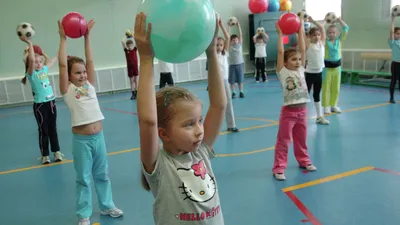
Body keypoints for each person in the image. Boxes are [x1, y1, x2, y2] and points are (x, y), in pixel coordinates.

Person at [134, 12, 226, 225]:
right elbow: (148, 121)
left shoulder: (201, 150)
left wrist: (211, 52)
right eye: (188, 124)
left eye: (199, 121)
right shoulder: (159, 166)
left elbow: (219, 105)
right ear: (164, 134)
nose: (199, 130)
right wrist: (146, 59)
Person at [57, 19, 123, 225]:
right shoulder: (68, 90)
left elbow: (90, 61)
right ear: (69, 76)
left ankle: (106, 205)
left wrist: (87, 38)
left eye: (83, 71)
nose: (83, 75)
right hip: (81, 141)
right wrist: (63, 39)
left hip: (98, 138)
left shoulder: (91, 85)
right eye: (77, 72)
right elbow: (61, 64)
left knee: (102, 174)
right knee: (83, 178)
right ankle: (83, 214)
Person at [272, 17, 317, 181]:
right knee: (284, 141)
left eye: (299, 59)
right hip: (288, 113)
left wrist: (299, 30)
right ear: (285, 62)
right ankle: (279, 168)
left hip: (302, 112)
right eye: (293, 59)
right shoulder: (282, 72)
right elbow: (280, 52)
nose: (298, 61)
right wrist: (280, 35)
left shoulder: (301, 70)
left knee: (301, 139)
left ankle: (304, 161)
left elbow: (303, 50)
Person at [20, 38, 63, 164]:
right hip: (40, 105)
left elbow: (51, 61)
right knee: (43, 130)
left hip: (51, 103)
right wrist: (30, 45)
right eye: (36, 62)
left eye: (40, 62)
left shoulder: (44, 69)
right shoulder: (31, 74)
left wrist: (51, 54)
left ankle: (57, 152)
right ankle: (45, 155)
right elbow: (32, 60)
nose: (38, 64)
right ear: (30, 65)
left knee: (53, 129)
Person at [305, 17, 329, 125]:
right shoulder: (308, 45)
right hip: (309, 74)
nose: (317, 37)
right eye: (314, 35)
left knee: (317, 95)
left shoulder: (321, 44)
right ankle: (301, 116)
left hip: (319, 73)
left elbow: (322, 29)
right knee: (305, 95)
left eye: (318, 35)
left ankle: (319, 116)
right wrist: (302, 22)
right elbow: (302, 35)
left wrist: (313, 21)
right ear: (309, 36)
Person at [322, 18, 349, 114]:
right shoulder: (324, 42)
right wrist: (325, 21)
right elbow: (321, 28)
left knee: (336, 88)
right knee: (326, 88)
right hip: (327, 68)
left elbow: (346, 28)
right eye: (329, 32)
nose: (331, 34)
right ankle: (326, 106)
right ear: (327, 33)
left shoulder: (339, 40)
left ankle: (334, 105)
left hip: (337, 68)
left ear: (337, 33)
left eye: (333, 32)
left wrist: (339, 20)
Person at [216, 18, 239, 132]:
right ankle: (214, 126)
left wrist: (221, 25)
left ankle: (231, 125)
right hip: (216, 81)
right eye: (217, 45)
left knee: (228, 101)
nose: (219, 47)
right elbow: (213, 40)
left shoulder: (225, 54)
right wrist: (215, 27)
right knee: (217, 103)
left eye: (221, 45)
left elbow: (228, 37)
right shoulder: (213, 55)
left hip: (224, 80)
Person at [228, 18, 245, 98]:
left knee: (240, 80)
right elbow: (227, 36)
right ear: (231, 41)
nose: (235, 41)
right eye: (233, 40)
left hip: (240, 64)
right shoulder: (230, 46)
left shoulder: (240, 45)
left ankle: (241, 92)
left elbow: (240, 34)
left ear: (238, 40)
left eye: (236, 40)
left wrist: (238, 25)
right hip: (232, 65)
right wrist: (229, 27)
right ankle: (233, 92)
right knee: (232, 81)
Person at [389, 15, 400, 103]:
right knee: (393, 81)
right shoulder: (392, 42)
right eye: (397, 33)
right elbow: (391, 32)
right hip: (395, 65)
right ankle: (391, 97)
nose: (399, 35)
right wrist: (393, 20)